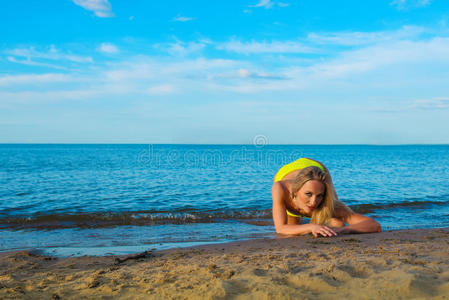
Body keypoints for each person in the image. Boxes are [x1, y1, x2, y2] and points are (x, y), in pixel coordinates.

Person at [272, 157, 381, 237]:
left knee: (336, 223)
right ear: (295, 191)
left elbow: (374, 225)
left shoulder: (325, 202)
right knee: (293, 232)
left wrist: (343, 230)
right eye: (308, 194)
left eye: (320, 195)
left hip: (317, 169)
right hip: (287, 171)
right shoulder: (280, 188)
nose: (314, 202)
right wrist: (311, 227)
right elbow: (280, 228)